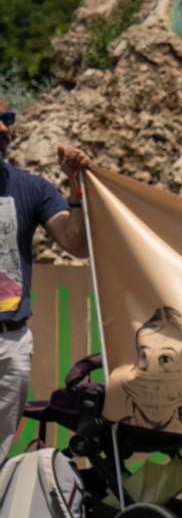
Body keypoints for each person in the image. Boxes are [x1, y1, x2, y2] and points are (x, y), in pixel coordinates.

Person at [1, 111, 93, 447]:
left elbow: (76, 244)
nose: (2, 127)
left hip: (11, 342)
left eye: (5, 118)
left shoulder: (30, 188)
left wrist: (77, 187)